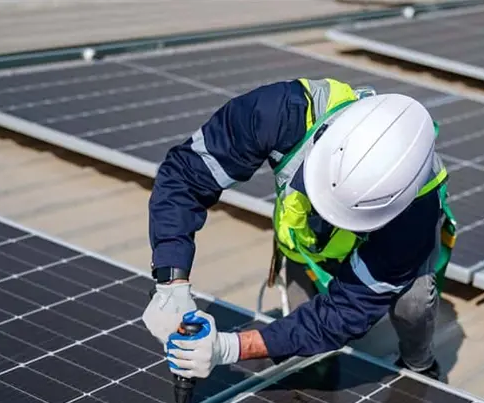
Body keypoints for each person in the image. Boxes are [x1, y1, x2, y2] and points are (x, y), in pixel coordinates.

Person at [142, 77, 456, 383]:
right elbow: (185, 178)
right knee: (303, 346)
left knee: (412, 304)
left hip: (388, 251)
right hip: (305, 248)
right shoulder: (281, 112)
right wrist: (172, 282)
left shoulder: (416, 213)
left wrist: (231, 347)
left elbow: (347, 312)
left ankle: (421, 365)